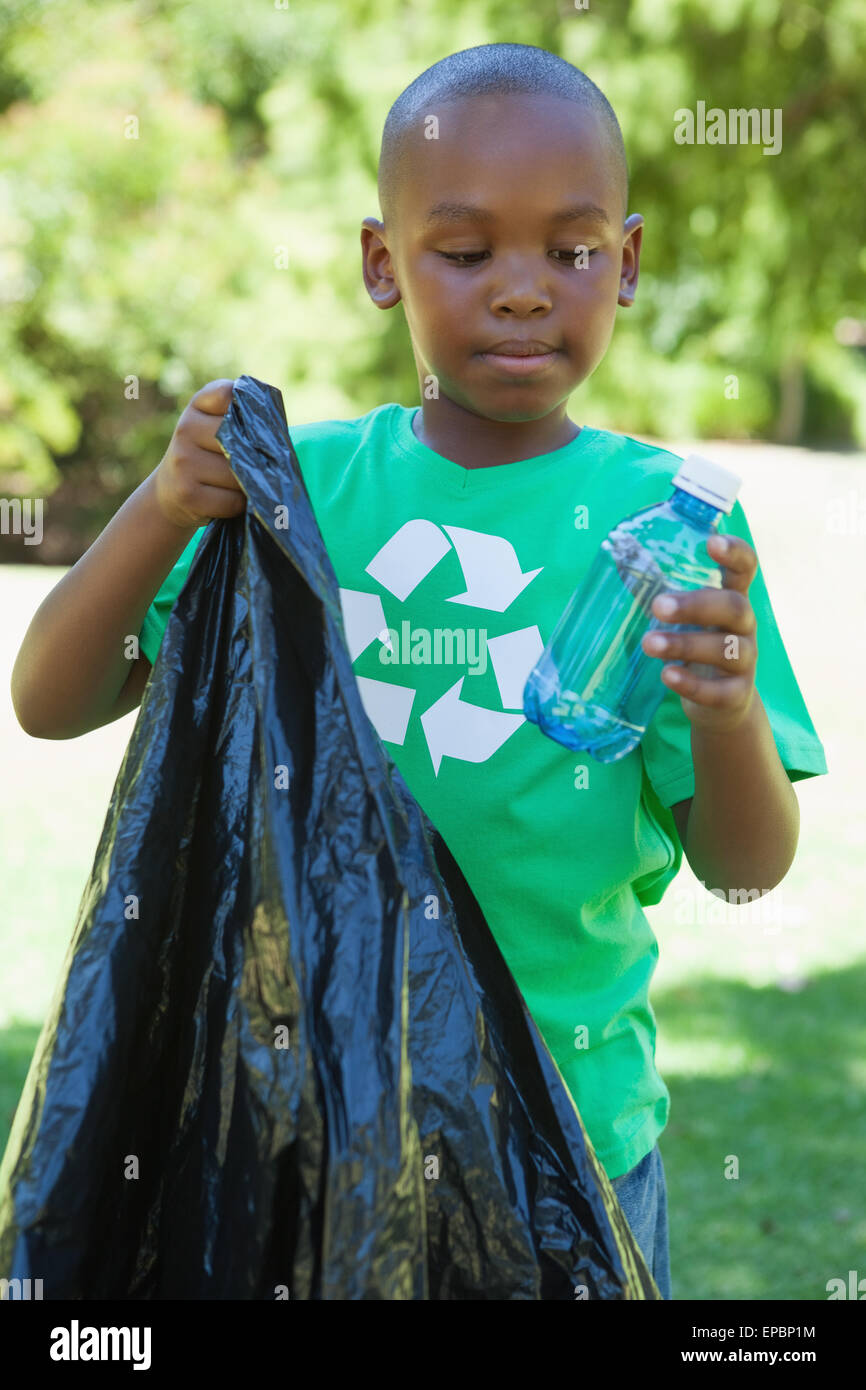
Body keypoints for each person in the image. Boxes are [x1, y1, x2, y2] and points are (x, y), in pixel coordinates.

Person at [10, 43, 827, 1301]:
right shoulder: (303, 492)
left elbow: (741, 865)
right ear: (382, 266)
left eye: (570, 251)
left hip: (573, 1141)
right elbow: (53, 699)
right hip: (311, 1127)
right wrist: (164, 505)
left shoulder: (665, 529)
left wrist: (721, 714)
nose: (521, 292)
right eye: (465, 252)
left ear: (628, 261)